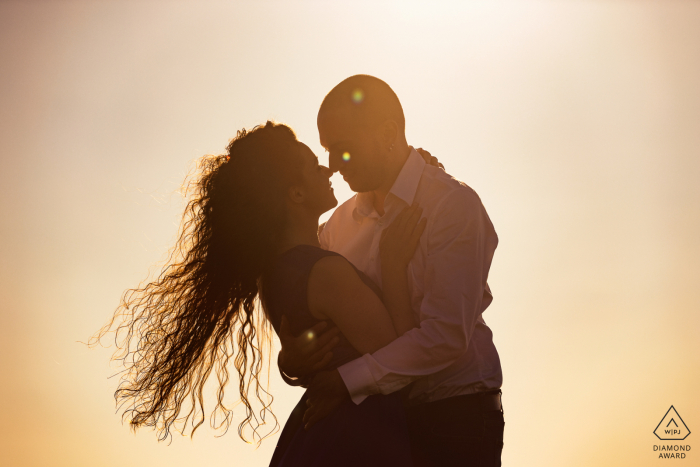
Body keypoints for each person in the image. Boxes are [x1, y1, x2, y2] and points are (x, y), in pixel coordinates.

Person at [90, 121, 440, 465]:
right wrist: (394, 267)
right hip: (354, 440)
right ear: (296, 193)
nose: (326, 168)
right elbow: (402, 360)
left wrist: (406, 174)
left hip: (321, 434)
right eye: (310, 163)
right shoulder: (325, 273)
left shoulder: (273, 276)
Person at [278, 75, 505, 467]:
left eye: (343, 149)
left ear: (387, 133)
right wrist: (291, 361)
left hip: (455, 419)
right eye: (328, 150)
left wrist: (347, 382)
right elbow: (326, 319)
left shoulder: (453, 207)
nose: (332, 165)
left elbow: (445, 335)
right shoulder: (338, 225)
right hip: (378, 423)